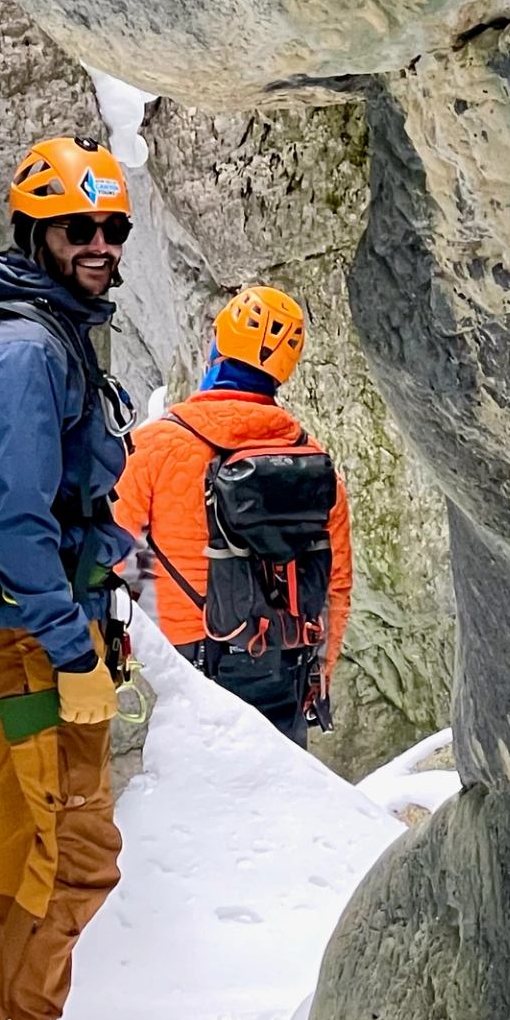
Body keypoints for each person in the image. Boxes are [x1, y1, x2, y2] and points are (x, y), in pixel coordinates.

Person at [0, 134, 138, 1020]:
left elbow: (50, 506)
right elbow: (18, 515)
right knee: (79, 848)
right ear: (35, 232)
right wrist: (75, 651)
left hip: (21, 624)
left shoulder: (41, 327)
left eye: (113, 227)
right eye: (78, 228)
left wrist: (108, 549)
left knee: (24, 827)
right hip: (37, 636)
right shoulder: (27, 347)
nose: (100, 243)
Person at [117, 285, 352, 744]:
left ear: (217, 347)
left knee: (204, 803)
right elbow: (335, 581)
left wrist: (136, 638)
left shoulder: (156, 446)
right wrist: (319, 673)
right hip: (288, 662)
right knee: (282, 801)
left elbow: (118, 553)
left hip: (192, 660)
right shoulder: (310, 456)